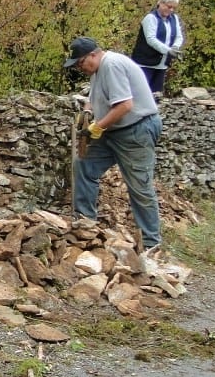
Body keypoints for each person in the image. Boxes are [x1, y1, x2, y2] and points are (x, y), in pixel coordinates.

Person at [64, 36, 163, 250]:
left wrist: (97, 127)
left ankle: (151, 244)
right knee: (84, 165)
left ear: (93, 54)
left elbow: (125, 105)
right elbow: (95, 97)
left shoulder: (112, 65)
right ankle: (85, 224)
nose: (80, 68)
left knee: (139, 186)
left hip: (136, 130)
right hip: (114, 131)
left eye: (80, 63)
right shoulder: (97, 70)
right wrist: (88, 111)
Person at [130, 0, 184, 95]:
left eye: (174, 8)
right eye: (169, 6)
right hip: (145, 63)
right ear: (161, 3)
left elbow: (179, 36)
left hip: (162, 64)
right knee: (141, 94)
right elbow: (151, 39)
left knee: (156, 94)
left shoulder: (174, 18)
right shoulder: (150, 18)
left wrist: (175, 47)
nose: (171, 10)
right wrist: (168, 51)